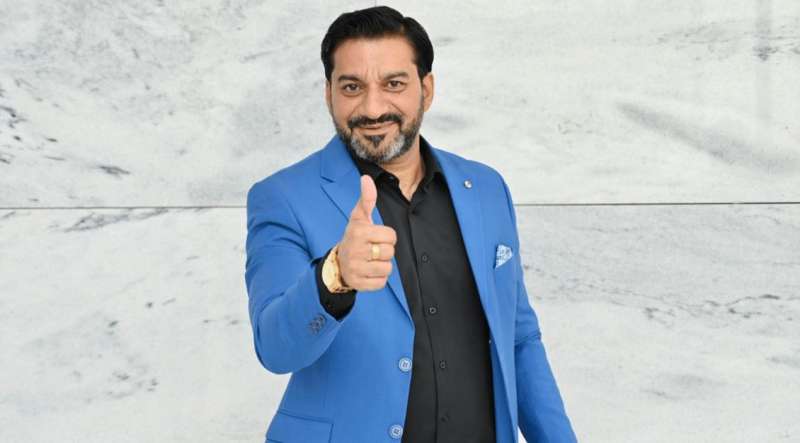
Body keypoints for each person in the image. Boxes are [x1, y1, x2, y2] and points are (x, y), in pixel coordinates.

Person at [244, 6, 577, 442]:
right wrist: (334, 276)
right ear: (329, 94)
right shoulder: (283, 197)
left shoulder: (487, 188)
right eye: (352, 87)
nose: (373, 107)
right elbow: (275, 347)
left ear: (427, 89)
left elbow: (519, 339)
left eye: (394, 84)